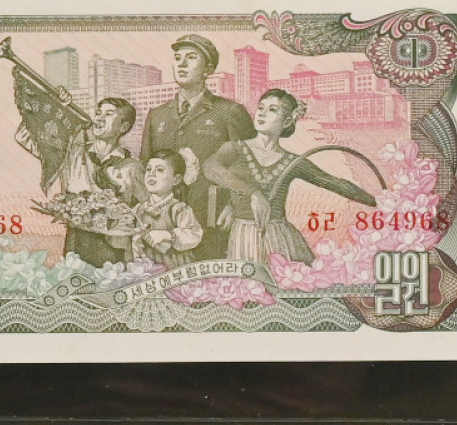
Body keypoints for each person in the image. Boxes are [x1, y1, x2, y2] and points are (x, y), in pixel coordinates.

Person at [204, 87, 376, 268]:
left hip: (280, 238)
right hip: (244, 237)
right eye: (261, 108)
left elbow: (334, 183)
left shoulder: (292, 162)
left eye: (272, 110)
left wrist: (378, 201)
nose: (261, 113)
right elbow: (210, 167)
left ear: (286, 121)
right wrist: (253, 193)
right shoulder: (235, 149)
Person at [139, 36, 254, 260]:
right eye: (177, 58)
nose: (181, 64)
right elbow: (145, 166)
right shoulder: (157, 115)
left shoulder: (229, 111)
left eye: (191, 58)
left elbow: (249, 166)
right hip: (163, 225)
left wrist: (236, 207)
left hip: (212, 219)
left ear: (208, 69)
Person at [55, 96, 144, 267]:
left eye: (108, 114)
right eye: (98, 113)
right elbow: (28, 139)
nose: (99, 118)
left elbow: (147, 209)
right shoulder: (74, 154)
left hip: (114, 250)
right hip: (77, 243)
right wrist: (59, 107)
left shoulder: (133, 168)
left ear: (123, 127)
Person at [128, 152, 204, 264]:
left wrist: (168, 235)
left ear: (176, 180)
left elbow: (195, 234)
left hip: (174, 265)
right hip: (146, 264)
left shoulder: (178, 209)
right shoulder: (140, 209)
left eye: (159, 170)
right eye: (148, 169)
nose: (151, 174)